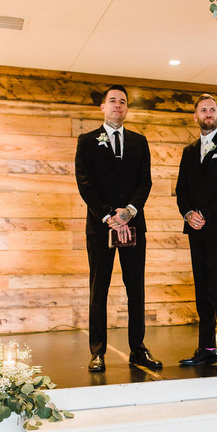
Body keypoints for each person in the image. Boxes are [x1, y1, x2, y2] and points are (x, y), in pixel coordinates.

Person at [75, 84, 162, 372]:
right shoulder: (87, 141)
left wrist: (129, 212)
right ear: (103, 107)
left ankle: (138, 349)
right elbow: (85, 183)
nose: (118, 105)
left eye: (122, 101)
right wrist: (108, 216)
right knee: (98, 289)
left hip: (133, 225)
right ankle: (97, 351)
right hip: (100, 227)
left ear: (126, 108)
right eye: (112, 100)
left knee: (135, 288)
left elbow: (145, 181)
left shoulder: (139, 141)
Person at [176, 93, 217, 374]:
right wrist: (188, 214)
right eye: (203, 110)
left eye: (212, 110)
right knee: (201, 289)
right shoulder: (189, 151)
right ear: (196, 116)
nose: (208, 114)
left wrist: (204, 214)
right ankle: (206, 349)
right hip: (195, 228)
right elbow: (181, 189)